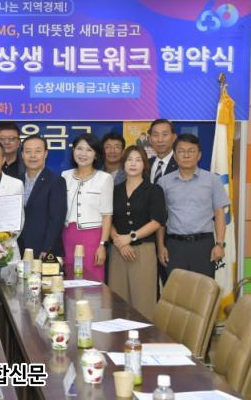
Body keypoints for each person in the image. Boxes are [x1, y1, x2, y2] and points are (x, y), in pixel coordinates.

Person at [157, 134, 229, 279]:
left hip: (204, 246)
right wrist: (160, 247)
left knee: (203, 290)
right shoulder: (164, 182)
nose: (186, 155)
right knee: (176, 290)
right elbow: (160, 218)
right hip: (174, 246)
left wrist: (220, 244)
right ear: (175, 156)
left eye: (191, 151)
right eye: (181, 151)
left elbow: (219, 213)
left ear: (199, 155)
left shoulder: (212, 180)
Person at [109, 146, 166, 320]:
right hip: (118, 251)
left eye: (138, 160)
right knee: (117, 302)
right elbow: (107, 219)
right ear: (123, 163)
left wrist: (130, 237)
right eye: (129, 160)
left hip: (143, 251)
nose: (133, 164)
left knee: (143, 303)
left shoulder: (153, 190)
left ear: (144, 164)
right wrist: (119, 242)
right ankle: (118, 336)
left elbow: (157, 221)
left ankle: (145, 337)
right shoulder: (114, 190)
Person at [61, 133, 113, 281]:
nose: (83, 154)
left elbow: (107, 215)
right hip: (67, 236)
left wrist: (102, 245)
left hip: (92, 239)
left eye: (89, 150)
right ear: (73, 151)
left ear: (96, 155)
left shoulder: (104, 178)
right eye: (79, 149)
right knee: (68, 279)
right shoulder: (65, 176)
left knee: (92, 281)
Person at [17, 135, 67, 259]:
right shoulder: (16, 181)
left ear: (45, 154)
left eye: (38, 151)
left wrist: (47, 248)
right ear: (22, 155)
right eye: (28, 151)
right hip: (18, 248)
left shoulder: (56, 181)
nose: (33, 156)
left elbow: (56, 219)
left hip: (44, 250)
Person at [148, 118, 178, 290]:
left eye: (164, 134)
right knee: (149, 289)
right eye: (155, 135)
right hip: (145, 239)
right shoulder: (145, 165)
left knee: (173, 288)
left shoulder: (182, 165)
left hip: (173, 238)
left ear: (173, 137)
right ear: (149, 139)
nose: (160, 139)